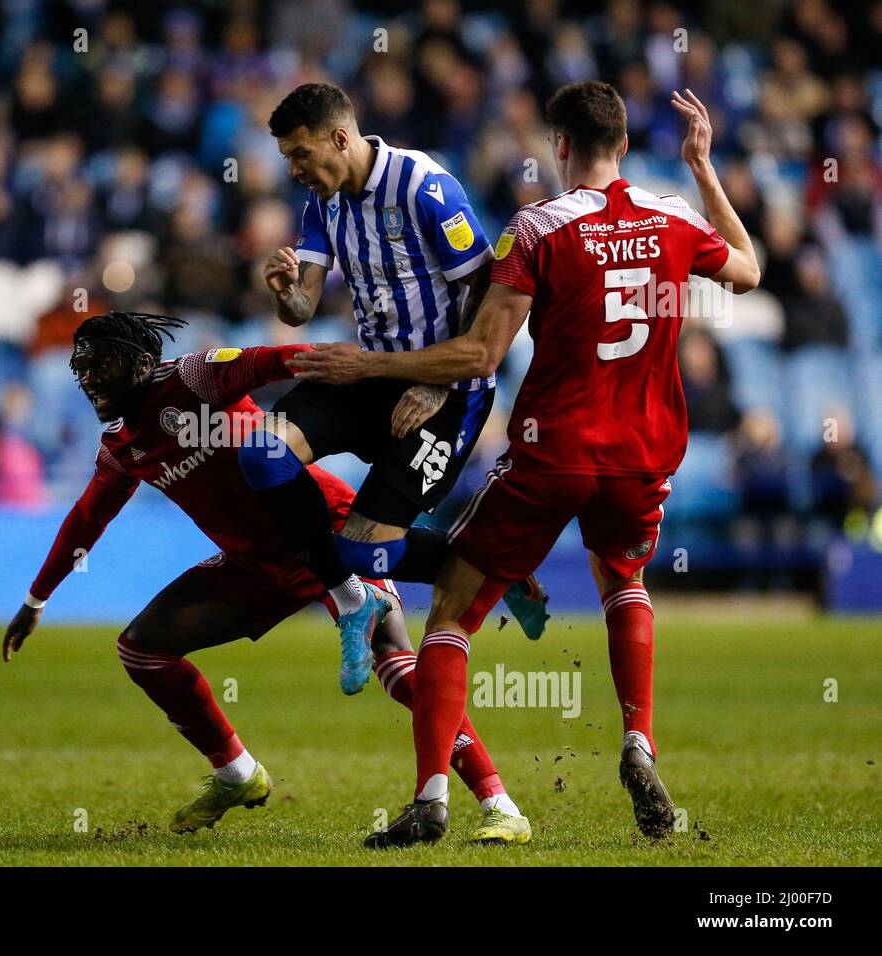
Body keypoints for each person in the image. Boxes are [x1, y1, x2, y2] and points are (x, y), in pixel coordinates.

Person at [291, 84, 761, 846]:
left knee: (452, 609)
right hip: (644, 454)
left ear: (561, 145)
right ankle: (639, 742)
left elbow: (481, 353)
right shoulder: (676, 216)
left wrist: (366, 366)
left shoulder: (537, 228)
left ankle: (433, 798)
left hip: (555, 451)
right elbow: (747, 270)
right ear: (624, 143)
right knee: (625, 580)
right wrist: (704, 171)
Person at [3, 311, 531, 842]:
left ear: (143, 362)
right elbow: (88, 518)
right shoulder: (120, 449)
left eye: (102, 364)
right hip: (256, 567)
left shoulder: (196, 377)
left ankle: (499, 804)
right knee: (142, 648)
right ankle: (236, 774)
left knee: (396, 667)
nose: (90, 378)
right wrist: (35, 598)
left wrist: (395, 375)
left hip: (328, 533)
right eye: (82, 368)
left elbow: (285, 359)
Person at [236, 82, 548, 699]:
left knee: (363, 550)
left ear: (340, 138)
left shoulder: (424, 186)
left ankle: (496, 567)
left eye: (300, 154)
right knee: (259, 452)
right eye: (286, 159)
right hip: (369, 373)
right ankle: (351, 601)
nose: (294, 170)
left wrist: (439, 384)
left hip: (447, 391)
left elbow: (486, 290)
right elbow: (304, 305)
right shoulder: (322, 204)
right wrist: (285, 293)